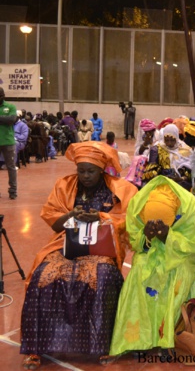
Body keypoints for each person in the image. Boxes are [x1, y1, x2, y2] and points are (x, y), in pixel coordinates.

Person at [20, 142, 137, 369]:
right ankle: (36, 348)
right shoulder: (65, 185)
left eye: (90, 171)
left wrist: (101, 217)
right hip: (65, 244)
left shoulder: (119, 189)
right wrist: (71, 215)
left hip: (101, 248)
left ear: (101, 169)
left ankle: (104, 345)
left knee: (102, 277)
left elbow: (129, 220)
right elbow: (54, 223)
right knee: (42, 276)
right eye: (81, 170)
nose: (85, 176)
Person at [109, 176, 195, 357]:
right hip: (148, 253)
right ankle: (138, 339)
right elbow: (136, 243)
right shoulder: (139, 206)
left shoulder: (189, 210)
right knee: (139, 272)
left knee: (176, 275)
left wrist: (168, 236)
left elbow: (194, 246)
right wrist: (145, 237)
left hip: (179, 257)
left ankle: (168, 338)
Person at [141, 124, 193, 189]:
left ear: (176, 138)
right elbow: (152, 171)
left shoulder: (186, 150)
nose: (169, 143)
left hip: (180, 182)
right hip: (161, 181)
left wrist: (180, 178)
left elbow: (190, 170)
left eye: (172, 140)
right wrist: (164, 177)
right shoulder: (157, 149)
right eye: (166, 140)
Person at [0, 88, 18, 199]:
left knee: (11, 167)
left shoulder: (10, 107)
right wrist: (3, 119)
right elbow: (7, 120)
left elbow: (11, 119)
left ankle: (13, 191)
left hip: (8, 141)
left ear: (3, 96)